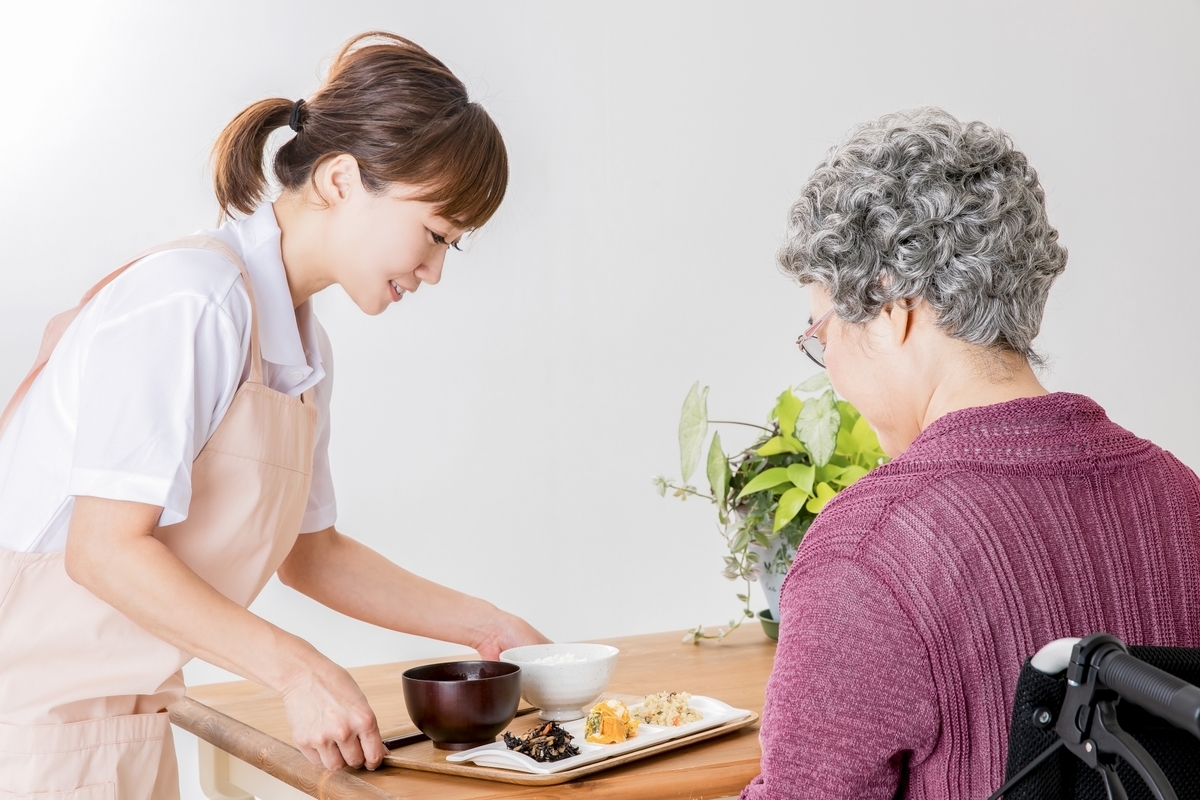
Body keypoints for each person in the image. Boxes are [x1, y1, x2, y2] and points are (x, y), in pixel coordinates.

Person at [0, 31, 547, 798]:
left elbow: (311, 554)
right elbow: (104, 550)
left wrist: (491, 628)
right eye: (433, 233)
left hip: (118, 727)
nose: (433, 270)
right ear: (339, 179)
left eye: (452, 247)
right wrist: (299, 671)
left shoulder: (294, 341)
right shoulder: (194, 299)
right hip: (28, 737)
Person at [742, 107, 1200, 799]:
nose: (825, 365)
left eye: (822, 331)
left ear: (893, 310)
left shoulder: (869, 551)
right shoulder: (1180, 494)